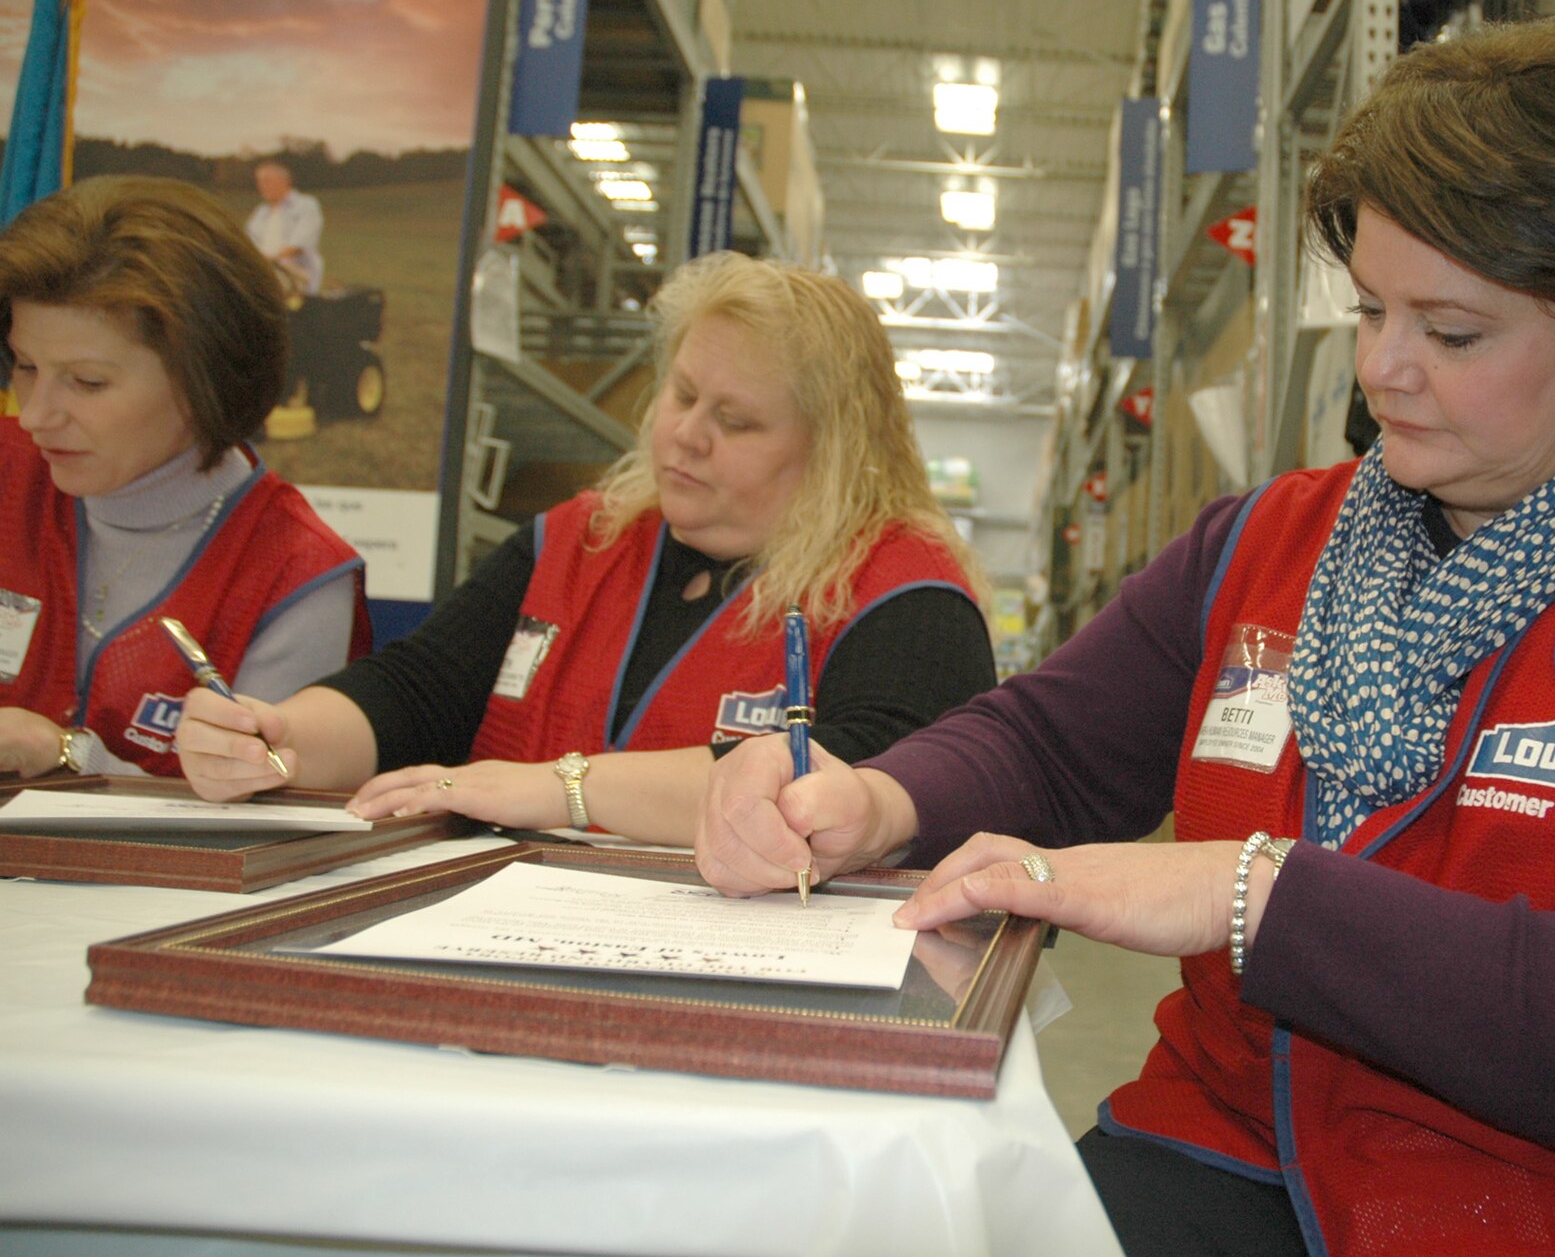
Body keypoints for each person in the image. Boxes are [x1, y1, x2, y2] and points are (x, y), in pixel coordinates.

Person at [695, 12, 1555, 1257]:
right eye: (1371, 308)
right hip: (1238, 1158)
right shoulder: (1273, 541)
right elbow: (1053, 738)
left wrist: (1257, 896)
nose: (1382, 369)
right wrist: (873, 796)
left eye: (1452, 331)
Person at [177, 250, 993, 847]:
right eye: (681, 393)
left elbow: (848, 781)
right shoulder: (580, 539)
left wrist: (557, 789)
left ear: (835, 448)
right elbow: (418, 689)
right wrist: (278, 737)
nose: (685, 434)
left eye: (735, 421)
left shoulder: (907, 598)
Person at [0, 175, 368, 778]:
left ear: (203, 382)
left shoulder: (294, 575)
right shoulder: (11, 471)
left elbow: (251, 827)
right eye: (24, 367)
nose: (36, 414)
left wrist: (72, 757)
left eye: (87, 382)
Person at [245, 160, 324, 297]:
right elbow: (247, 244)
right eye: (259, 182)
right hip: (263, 273)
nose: (261, 186)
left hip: (294, 274)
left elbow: (297, 247)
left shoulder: (306, 205)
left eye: (266, 181)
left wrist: (266, 262)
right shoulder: (261, 212)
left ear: (284, 181)